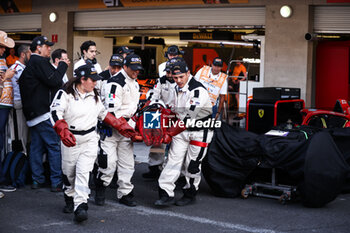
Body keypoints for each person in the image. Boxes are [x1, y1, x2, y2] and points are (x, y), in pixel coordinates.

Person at [50, 63, 139, 222]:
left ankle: (81, 206)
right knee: (69, 173)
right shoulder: (65, 94)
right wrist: (62, 130)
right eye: (92, 80)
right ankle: (69, 197)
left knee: (84, 172)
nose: (96, 82)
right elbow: (55, 112)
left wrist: (121, 126)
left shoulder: (94, 94)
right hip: (71, 138)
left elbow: (103, 114)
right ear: (82, 79)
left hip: (90, 138)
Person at [155, 58, 213, 207]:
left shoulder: (198, 90)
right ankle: (165, 193)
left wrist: (169, 133)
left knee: (192, 165)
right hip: (181, 131)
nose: (178, 80)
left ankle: (190, 193)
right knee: (172, 162)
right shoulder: (175, 87)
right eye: (175, 78)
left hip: (199, 131)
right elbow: (175, 110)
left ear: (188, 73)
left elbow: (189, 117)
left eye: (181, 76)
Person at [19, 35, 68, 192]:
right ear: (38, 48)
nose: (50, 49)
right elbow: (54, 81)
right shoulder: (39, 62)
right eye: (47, 46)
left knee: (36, 148)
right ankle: (56, 182)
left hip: (32, 114)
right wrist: (62, 66)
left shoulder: (32, 63)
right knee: (54, 146)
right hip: (43, 113)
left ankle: (37, 179)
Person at [94, 54, 143, 207]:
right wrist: (125, 127)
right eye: (133, 69)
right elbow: (111, 113)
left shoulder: (134, 83)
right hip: (111, 129)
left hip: (127, 128)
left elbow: (134, 108)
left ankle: (125, 193)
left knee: (127, 164)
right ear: (125, 67)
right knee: (108, 165)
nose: (136, 72)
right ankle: (100, 188)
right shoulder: (115, 83)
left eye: (138, 70)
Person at [142, 60, 176, 179]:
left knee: (176, 143)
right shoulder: (160, 81)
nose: (169, 74)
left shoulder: (181, 81)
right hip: (162, 113)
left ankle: (176, 173)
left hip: (177, 114)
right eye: (167, 72)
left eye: (171, 72)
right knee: (158, 141)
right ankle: (154, 168)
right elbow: (154, 96)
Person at [8, 45, 31, 156]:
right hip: (18, 103)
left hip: (24, 103)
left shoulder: (24, 67)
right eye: (29, 54)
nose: (30, 56)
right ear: (23, 54)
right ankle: (20, 158)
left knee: (25, 134)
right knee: (20, 134)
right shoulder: (17, 68)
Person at [0, 30, 16, 193]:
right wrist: (7, 77)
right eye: (2, 47)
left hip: (4, 106)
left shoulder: (3, 59)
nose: (4, 50)